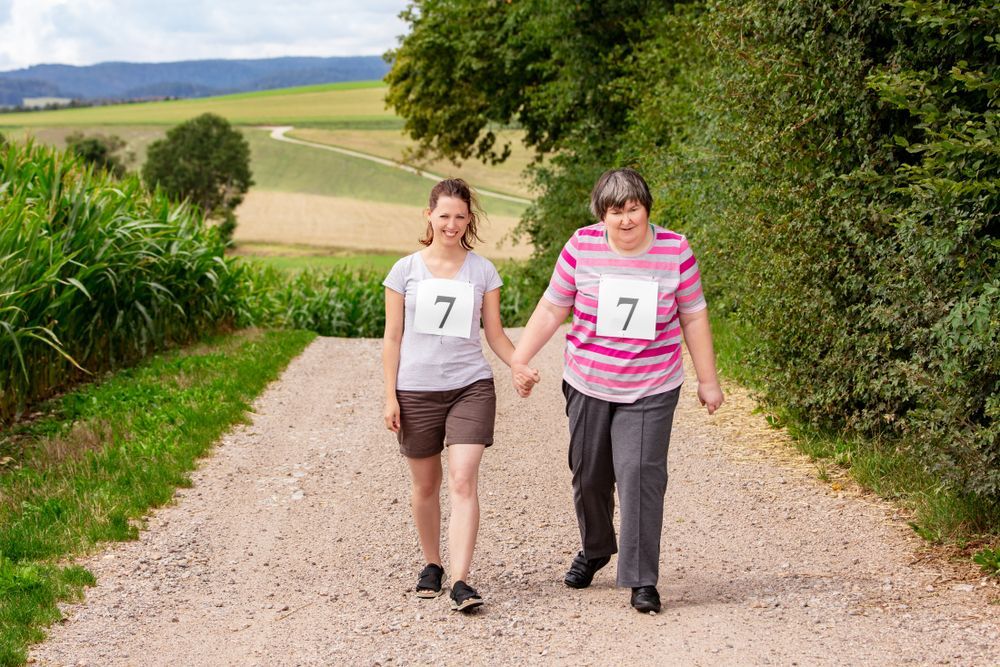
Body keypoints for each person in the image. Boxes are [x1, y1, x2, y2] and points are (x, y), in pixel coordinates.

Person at [510, 167, 724, 613]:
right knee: (589, 474)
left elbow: (694, 317)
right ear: (601, 215)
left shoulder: (675, 250)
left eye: (634, 209)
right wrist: (520, 358)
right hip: (588, 381)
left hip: (652, 385)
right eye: (615, 211)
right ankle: (595, 548)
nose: (626, 220)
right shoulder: (581, 246)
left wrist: (708, 380)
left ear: (646, 209)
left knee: (640, 475)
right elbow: (552, 307)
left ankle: (642, 578)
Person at [382, 178, 516, 613]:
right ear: (429, 216)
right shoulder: (405, 271)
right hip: (415, 389)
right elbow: (392, 338)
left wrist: (519, 363)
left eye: (460, 216)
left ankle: (461, 579)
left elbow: (493, 334)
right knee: (426, 484)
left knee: (462, 479)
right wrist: (391, 396)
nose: (452, 224)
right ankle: (432, 564)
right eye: (444, 216)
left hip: (470, 387)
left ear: (469, 219)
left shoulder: (483, 271)